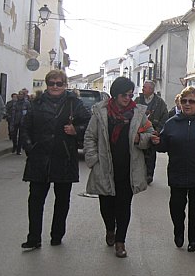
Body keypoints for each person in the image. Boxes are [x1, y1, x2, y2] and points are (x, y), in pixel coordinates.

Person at [19, 70, 91, 249]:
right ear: (47, 84)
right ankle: (34, 237)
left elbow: (89, 123)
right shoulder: (36, 103)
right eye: (51, 83)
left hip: (64, 156)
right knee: (35, 200)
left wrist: (76, 130)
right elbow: (25, 128)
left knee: (62, 199)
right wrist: (30, 148)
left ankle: (57, 235)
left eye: (59, 83)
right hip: (39, 158)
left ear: (65, 85)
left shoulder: (74, 103)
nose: (55, 87)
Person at [84, 77, 154, 258]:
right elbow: (90, 137)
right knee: (106, 206)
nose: (128, 98)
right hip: (105, 166)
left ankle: (120, 241)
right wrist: (93, 160)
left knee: (124, 206)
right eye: (124, 94)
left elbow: (150, 133)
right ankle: (110, 229)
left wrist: (141, 139)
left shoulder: (138, 113)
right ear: (115, 94)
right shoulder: (101, 113)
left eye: (131, 95)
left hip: (128, 168)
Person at [152, 87, 195, 252]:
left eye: (191, 101)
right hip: (177, 173)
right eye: (184, 101)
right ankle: (178, 231)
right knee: (176, 207)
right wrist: (156, 142)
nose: (187, 104)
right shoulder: (171, 123)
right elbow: (163, 145)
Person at [135, 80, 168, 184]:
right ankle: (138, 173)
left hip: (153, 132)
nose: (143, 89)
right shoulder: (138, 100)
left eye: (145, 87)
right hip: (139, 133)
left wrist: (158, 130)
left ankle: (149, 174)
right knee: (138, 154)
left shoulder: (160, 102)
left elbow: (164, 117)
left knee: (150, 154)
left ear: (151, 89)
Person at [10, 90, 30, 155]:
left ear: (24, 95)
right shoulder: (15, 102)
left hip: (23, 121)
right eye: (19, 94)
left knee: (21, 136)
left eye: (21, 94)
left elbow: (29, 112)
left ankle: (18, 149)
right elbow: (13, 112)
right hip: (15, 120)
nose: (20, 95)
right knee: (13, 135)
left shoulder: (26, 103)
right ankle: (14, 145)